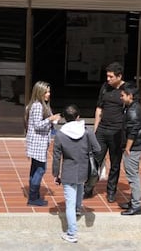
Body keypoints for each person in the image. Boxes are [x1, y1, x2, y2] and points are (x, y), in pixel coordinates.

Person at [52, 104, 100, 243]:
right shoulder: (87, 131)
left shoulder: (60, 134)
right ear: (78, 116)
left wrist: (56, 174)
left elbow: (56, 156)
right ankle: (78, 210)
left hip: (68, 170)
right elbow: (97, 148)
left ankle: (72, 233)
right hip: (84, 169)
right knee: (79, 187)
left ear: (64, 118)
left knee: (69, 204)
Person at [84, 62, 125, 203]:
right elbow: (99, 109)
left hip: (117, 132)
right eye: (107, 76)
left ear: (119, 76)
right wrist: (95, 129)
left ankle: (111, 191)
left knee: (115, 163)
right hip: (102, 130)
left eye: (111, 76)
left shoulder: (127, 89)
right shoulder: (105, 88)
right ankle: (88, 188)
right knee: (95, 161)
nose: (108, 79)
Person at [25, 81, 61, 206]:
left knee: (35, 169)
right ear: (39, 93)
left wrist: (53, 119)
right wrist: (50, 119)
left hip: (40, 143)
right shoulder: (37, 106)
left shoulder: (44, 105)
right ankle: (33, 197)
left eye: (49, 91)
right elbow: (37, 125)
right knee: (40, 169)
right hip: (37, 143)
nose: (48, 94)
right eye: (46, 92)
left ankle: (33, 195)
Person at [118, 83, 141, 216]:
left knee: (132, 176)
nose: (121, 98)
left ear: (130, 96)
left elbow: (132, 132)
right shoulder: (132, 107)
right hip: (134, 147)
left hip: (133, 148)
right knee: (132, 174)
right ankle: (133, 201)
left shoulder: (133, 111)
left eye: (123, 95)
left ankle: (136, 205)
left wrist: (127, 148)